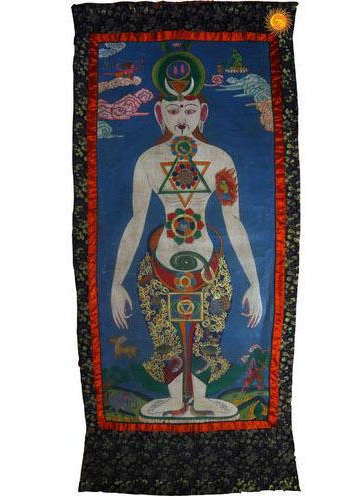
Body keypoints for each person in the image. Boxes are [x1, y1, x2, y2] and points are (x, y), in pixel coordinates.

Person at [110, 48, 262, 422]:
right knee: (165, 336)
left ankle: (203, 399)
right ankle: (176, 398)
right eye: (174, 110)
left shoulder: (220, 160)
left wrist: (255, 282)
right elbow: (136, 221)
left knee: (209, 335)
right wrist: (116, 282)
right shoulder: (147, 160)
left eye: (190, 110)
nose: (182, 119)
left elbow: (234, 221)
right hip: (158, 261)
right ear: (159, 113)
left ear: (203, 113)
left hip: (209, 260)